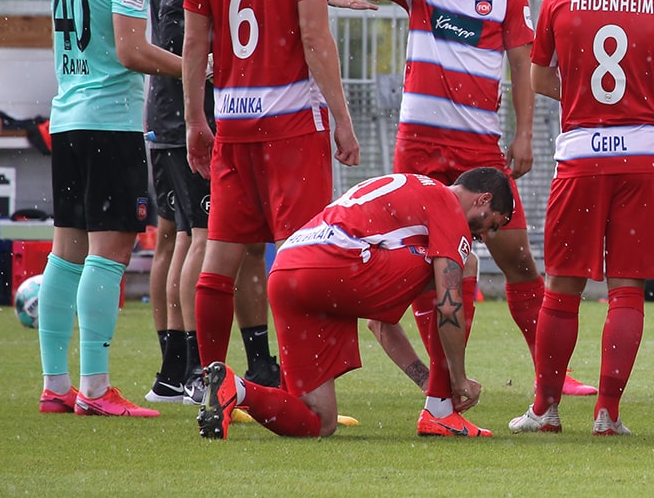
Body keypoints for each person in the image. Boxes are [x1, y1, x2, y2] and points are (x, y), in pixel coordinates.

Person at [359, 0, 599, 398]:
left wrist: (524, 132)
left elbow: (521, 67)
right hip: (420, 147)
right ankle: (445, 381)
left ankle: (551, 373)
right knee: (435, 268)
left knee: (517, 259)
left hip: (479, 150)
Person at [509, 0, 654, 436]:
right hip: (642, 157)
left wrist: (578, 93)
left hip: (580, 155)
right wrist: (651, 96)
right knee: (626, 290)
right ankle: (607, 413)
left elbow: (537, 75)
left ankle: (545, 409)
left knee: (561, 288)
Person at [182, 0, 361, 376]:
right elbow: (315, 37)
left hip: (232, 124)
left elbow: (195, 43)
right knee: (300, 259)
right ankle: (302, 381)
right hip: (291, 126)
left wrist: (195, 118)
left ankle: (212, 381)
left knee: (220, 261)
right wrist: (343, 122)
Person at [196, 168, 514, 439]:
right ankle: (441, 411)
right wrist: (457, 380)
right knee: (465, 264)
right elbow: (448, 306)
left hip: (287, 270)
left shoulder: (415, 190)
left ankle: (234, 388)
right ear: (483, 199)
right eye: (493, 224)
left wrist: (424, 379)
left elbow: (380, 323)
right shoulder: (448, 205)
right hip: (335, 263)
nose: (486, 236)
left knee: (319, 420)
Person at [33, 0, 184, 418]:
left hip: (68, 117)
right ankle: (95, 390)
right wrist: (198, 68)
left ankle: (56, 385)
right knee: (111, 250)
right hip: (109, 121)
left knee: (66, 252)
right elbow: (131, 51)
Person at [143, 0, 214, 404]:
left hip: (164, 114)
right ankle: (190, 368)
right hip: (181, 115)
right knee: (197, 237)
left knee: (174, 237)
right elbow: (176, 29)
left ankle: (171, 370)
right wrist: (204, 69)